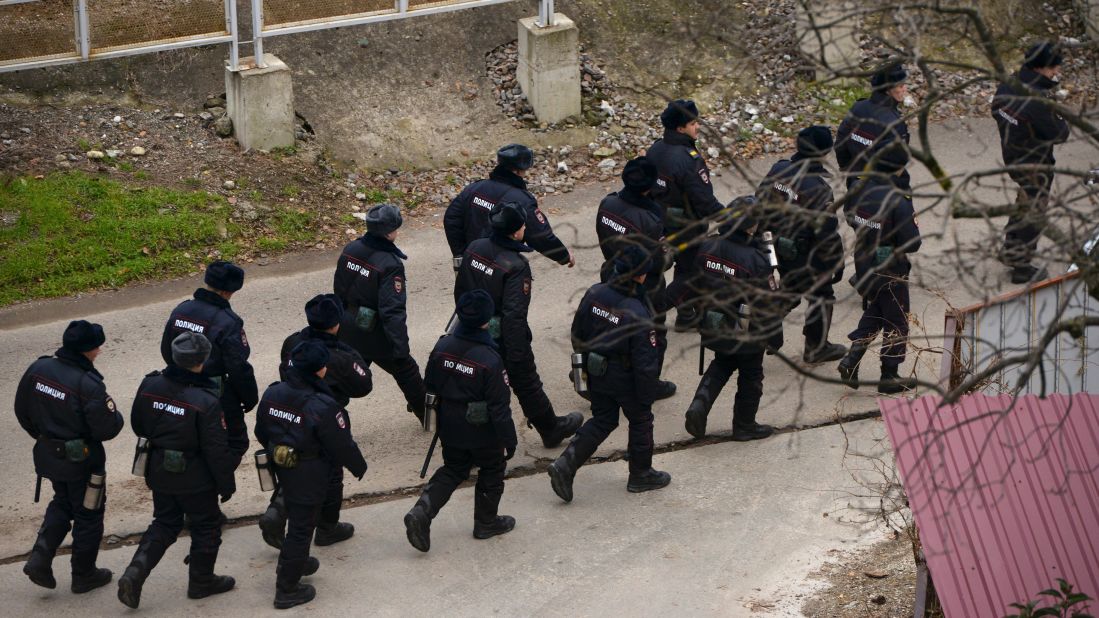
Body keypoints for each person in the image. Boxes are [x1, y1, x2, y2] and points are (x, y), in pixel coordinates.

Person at [117, 332, 237, 609]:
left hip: (159, 470)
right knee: (206, 526)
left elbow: (138, 425)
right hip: (196, 477)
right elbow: (216, 449)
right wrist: (226, 484)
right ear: (203, 360)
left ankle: (134, 573)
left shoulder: (150, 385)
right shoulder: (206, 400)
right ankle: (201, 582)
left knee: (164, 523)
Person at [454, 201, 583, 448]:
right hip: (502, 335)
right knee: (525, 381)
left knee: (474, 385)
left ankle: (467, 441)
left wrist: (468, 323)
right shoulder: (516, 266)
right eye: (524, 225)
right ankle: (550, 428)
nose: (526, 227)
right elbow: (514, 314)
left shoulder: (474, 247)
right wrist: (517, 353)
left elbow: (461, 291)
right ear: (515, 233)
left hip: (470, 327)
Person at [547, 246, 670, 502]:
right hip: (624, 376)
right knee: (640, 420)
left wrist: (587, 364)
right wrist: (646, 396)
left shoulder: (595, 293)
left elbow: (577, 333)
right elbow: (645, 363)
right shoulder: (638, 313)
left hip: (596, 371)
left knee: (603, 419)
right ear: (640, 275)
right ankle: (641, 474)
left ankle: (565, 465)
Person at [254, 340, 369, 609]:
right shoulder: (323, 405)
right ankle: (287, 588)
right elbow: (341, 445)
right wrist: (359, 466)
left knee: (295, 514)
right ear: (319, 371)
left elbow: (262, 431)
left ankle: (296, 561)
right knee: (301, 527)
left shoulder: (273, 393)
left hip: (283, 466)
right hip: (310, 471)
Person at [403, 290, 518, 552]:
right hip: (482, 431)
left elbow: (429, 386)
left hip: (449, 425)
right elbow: (500, 408)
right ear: (486, 320)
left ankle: (422, 512)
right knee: (492, 469)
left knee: (454, 469)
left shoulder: (441, 347)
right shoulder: (490, 359)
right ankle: (486, 522)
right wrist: (509, 440)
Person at [258, 294, 374, 550]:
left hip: (288, 411)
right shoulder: (340, 355)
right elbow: (364, 385)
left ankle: (276, 512)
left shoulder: (292, 343)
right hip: (322, 417)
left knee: (294, 467)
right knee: (330, 475)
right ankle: (327, 528)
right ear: (336, 324)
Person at [16, 320, 124, 593]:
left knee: (63, 501)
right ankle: (84, 574)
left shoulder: (38, 368)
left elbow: (22, 410)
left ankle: (40, 558)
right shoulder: (87, 384)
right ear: (86, 350)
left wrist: (47, 439)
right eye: (96, 346)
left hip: (49, 456)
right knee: (89, 514)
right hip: (82, 463)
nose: (99, 350)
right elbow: (107, 428)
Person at [682, 197, 784, 441]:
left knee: (723, 362)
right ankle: (744, 425)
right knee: (751, 374)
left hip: (713, 321)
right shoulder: (756, 260)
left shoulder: (707, 246)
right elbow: (768, 304)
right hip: (745, 327)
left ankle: (699, 405)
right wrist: (775, 336)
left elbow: (694, 286)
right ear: (750, 226)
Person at [756, 125, 847, 364]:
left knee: (789, 289)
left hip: (776, 246)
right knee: (822, 296)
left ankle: (761, 328)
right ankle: (816, 348)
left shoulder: (779, 169)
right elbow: (827, 233)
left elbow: (759, 202)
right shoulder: (818, 189)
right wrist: (836, 263)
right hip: (805, 254)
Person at [837, 145, 922, 394]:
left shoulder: (858, 189)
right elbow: (913, 243)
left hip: (865, 261)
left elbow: (850, 217)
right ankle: (889, 375)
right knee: (897, 322)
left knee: (877, 311)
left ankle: (851, 360)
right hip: (890, 268)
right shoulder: (899, 201)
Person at [334, 203, 427, 421]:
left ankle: (323, 421)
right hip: (375, 333)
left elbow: (339, 289)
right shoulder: (390, 264)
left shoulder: (351, 249)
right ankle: (429, 418)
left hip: (347, 326)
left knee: (342, 379)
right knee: (406, 371)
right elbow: (392, 311)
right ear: (389, 232)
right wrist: (400, 347)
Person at [595, 156, 676, 399]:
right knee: (652, 336)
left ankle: (600, 374)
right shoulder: (650, 221)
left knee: (611, 327)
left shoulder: (607, 204)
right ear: (649, 187)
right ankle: (650, 384)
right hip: (645, 286)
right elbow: (660, 262)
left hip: (612, 272)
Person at [160, 260, 257, 461]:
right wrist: (248, 398)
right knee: (235, 441)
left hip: (178, 386)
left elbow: (167, 350)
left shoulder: (181, 310)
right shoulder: (228, 321)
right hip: (214, 392)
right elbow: (237, 366)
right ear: (228, 291)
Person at [992, 41, 1070, 283]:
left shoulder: (1009, 83)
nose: (1056, 72)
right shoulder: (1036, 100)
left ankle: (1011, 249)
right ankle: (1021, 266)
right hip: (1035, 163)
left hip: (1013, 157)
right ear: (1039, 68)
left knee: (1024, 202)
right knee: (1034, 211)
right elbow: (1060, 133)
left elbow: (996, 109)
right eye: (1053, 68)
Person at [647, 99, 726, 329]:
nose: (697, 127)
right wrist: (729, 217)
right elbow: (704, 201)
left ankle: (686, 314)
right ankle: (657, 309)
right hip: (687, 226)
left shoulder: (655, 149)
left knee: (677, 267)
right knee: (690, 273)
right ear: (680, 128)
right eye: (693, 123)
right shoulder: (689, 159)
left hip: (659, 221)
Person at [444, 143, 575, 269]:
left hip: (471, 265)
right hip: (501, 268)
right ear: (518, 171)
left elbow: (451, 219)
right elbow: (540, 236)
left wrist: (462, 254)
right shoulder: (523, 201)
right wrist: (563, 255)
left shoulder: (474, 188)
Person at [836, 62, 911, 190]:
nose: (905, 89)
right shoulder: (894, 124)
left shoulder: (858, 107)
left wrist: (845, 167)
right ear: (888, 90)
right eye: (901, 86)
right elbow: (896, 163)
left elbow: (841, 141)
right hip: (881, 188)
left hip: (855, 181)